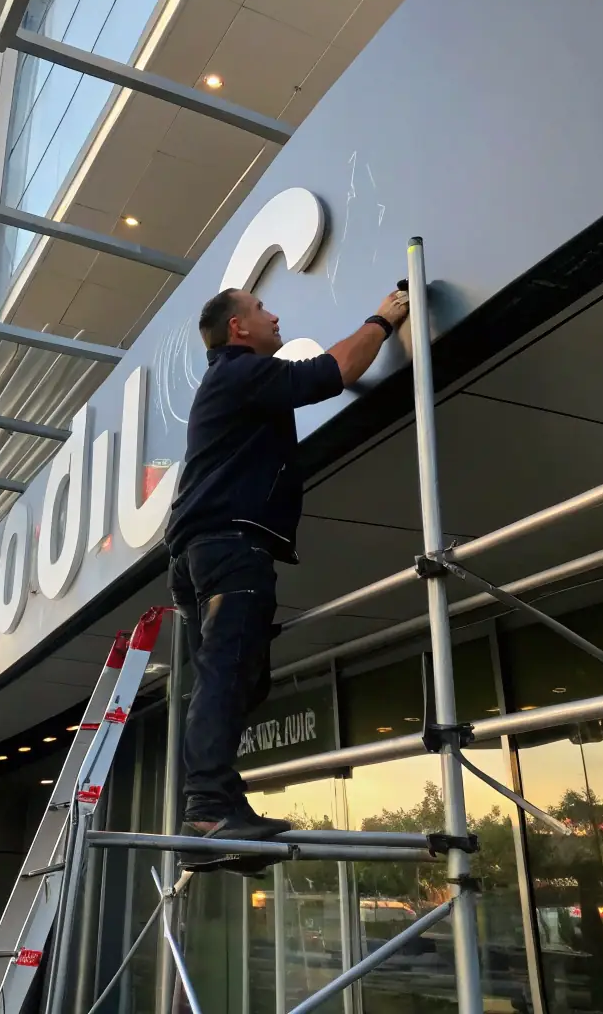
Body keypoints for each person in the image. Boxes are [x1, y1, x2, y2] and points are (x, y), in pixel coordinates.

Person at [166, 284, 409, 867]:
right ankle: (207, 807)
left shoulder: (236, 380)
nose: (275, 316)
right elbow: (337, 371)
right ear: (238, 329)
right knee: (227, 674)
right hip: (228, 544)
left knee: (241, 678)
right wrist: (382, 317)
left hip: (204, 548)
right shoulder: (240, 372)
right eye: (260, 309)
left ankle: (219, 811)